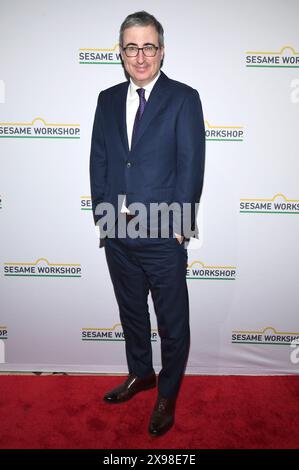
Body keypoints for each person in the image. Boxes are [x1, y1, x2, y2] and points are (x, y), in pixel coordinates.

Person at [89, 11, 205, 436]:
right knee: (132, 314)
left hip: (164, 232)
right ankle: (142, 373)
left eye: (149, 46)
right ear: (121, 53)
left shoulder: (184, 98)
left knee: (174, 325)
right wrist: (102, 213)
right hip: (118, 233)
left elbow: (191, 166)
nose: (141, 56)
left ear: (162, 50)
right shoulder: (105, 98)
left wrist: (180, 225)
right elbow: (99, 159)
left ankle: (168, 393)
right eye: (132, 47)